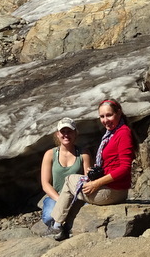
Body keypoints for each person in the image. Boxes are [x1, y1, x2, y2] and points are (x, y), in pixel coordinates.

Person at [51, 98, 136, 240]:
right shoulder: (114, 133)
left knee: (70, 179)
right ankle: (62, 225)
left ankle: (57, 225)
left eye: (109, 115)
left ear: (119, 113)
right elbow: (113, 163)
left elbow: (125, 168)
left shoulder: (123, 133)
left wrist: (96, 183)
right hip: (114, 188)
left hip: (112, 191)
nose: (105, 120)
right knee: (76, 184)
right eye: (102, 116)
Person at [39, 118, 91, 229]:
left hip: (77, 196)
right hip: (55, 196)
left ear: (75, 133)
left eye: (69, 131)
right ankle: (58, 228)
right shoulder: (50, 154)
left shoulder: (83, 154)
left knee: (88, 214)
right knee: (49, 217)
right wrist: (61, 201)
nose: (66, 135)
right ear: (57, 134)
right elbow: (45, 183)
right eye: (63, 132)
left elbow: (88, 179)